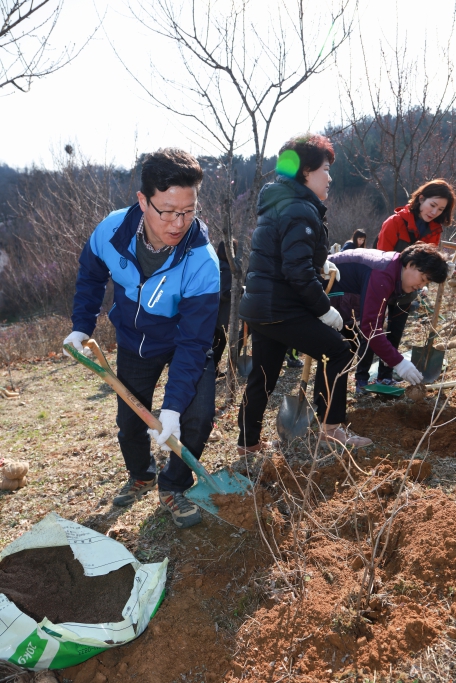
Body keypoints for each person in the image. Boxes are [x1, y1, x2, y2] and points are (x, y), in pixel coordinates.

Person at [63, 149, 220, 529]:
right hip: (135, 341)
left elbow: (194, 342)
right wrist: (82, 325)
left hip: (186, 340)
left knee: (195, 417)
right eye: (166, 210)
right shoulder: (112, 231)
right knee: (130, 421)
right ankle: (141, 473)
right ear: (142, 200)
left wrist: (172, 408)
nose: (178, 222)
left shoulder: (203, 262)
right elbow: (90, 274)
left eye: (188, 210)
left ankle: (173, 484)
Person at [237, 134, 373, 453]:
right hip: (283, 307)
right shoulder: (300, 209)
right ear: (306, 172)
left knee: (263, 376)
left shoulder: (279, 204)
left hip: (260, 307)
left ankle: (248, 443)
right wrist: (325, 310)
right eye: (325, 169)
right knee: (339, 350)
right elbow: (296, 271)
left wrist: (321, 261)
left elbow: (286, 253)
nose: (330, 177)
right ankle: (332, 428)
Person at [328, 243, 450, 392]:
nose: (420, 286)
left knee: (344, 351)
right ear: (410, 264)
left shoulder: (394, 268)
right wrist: (399, 363)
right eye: (423, 279)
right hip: (322, 290)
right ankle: (328, 407)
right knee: (340, 351)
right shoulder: (383, 274)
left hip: (343, 302)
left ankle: (330, 407)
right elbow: (371, 329)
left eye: (426, 283)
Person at [371, 180, 456, 386]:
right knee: (374, 329)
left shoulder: (434, 230)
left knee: (396, 330)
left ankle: (385, 376)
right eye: (432, 205)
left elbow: (428, 261)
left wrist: (437, 271)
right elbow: (381, 258)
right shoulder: (394, 222)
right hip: (382, 283)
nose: (434, 212)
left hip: (408, 289)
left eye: (441, 209)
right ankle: (362, 378)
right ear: (421, 199)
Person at [212, 239, 237, 378]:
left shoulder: (216, 265)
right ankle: (212, 371)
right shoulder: (226, 269)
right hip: (221, 314)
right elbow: (225, 293)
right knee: (219, 344)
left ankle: (213, 370)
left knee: (215, 344)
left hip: (213, 312)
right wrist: (240, 291)